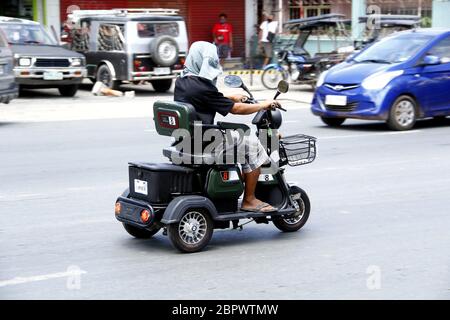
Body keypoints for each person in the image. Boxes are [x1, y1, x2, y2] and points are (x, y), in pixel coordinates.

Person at [174, 41, 279, 213]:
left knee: (240, 143)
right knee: (253, 146)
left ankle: (238, 183)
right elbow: (236, 110)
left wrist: (230, 96)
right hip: (206, 141)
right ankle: (249, 200)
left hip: (186, 139)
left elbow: (205, 98)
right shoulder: (203, 87)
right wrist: (263, 105)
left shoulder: (183, 81)